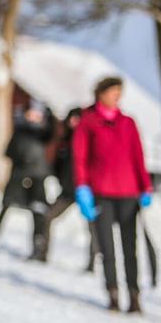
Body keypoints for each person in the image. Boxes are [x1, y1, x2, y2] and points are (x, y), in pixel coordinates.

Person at [73, 76, 153, 313]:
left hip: (128, 192)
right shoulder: (88, 122)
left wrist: (145, 186)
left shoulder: (128, 123)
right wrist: (82, 187)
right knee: (106, 246)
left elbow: (138, 156)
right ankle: (113, 293)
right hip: (101, 193)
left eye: (120, 91)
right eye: (113, 91)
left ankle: (134, 295)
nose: (117, 95)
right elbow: (80, 157)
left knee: (130, 247)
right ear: (101, 94)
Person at [0, 100, 55, 261]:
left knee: (38, 212)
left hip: (37, 178)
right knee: (6, 206)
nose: (33, 117)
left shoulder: (43, 134)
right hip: (18, 176)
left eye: (37, 114)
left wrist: (50, 115)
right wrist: (21, 160)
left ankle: (38, 249)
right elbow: (8, 152)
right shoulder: (19, 131)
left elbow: (51, 133)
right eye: (31, 113)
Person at [43, 107, 100, 268]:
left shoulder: (89, 142)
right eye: (71, 119)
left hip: (87, 192)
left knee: (93, 228)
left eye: (77, 119)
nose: (73, 123)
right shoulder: (64, 142)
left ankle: (92, 263)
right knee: (48, 216)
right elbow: (56, 164)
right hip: (68, 191)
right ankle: (42, 252)